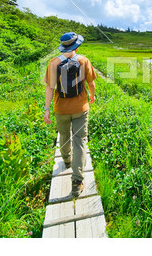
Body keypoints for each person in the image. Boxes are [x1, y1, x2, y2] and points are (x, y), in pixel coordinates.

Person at [43, 32, 97, 197]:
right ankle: (77, 181)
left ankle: (66, 160)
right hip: (81, 108)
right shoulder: (83, 61)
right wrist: (92, 96)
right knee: (80, 141)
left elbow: (49, 88)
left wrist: (46, 110)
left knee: (64, 136)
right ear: (77, 46)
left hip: (61, 109)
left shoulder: (53, 63)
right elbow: (91, 83)